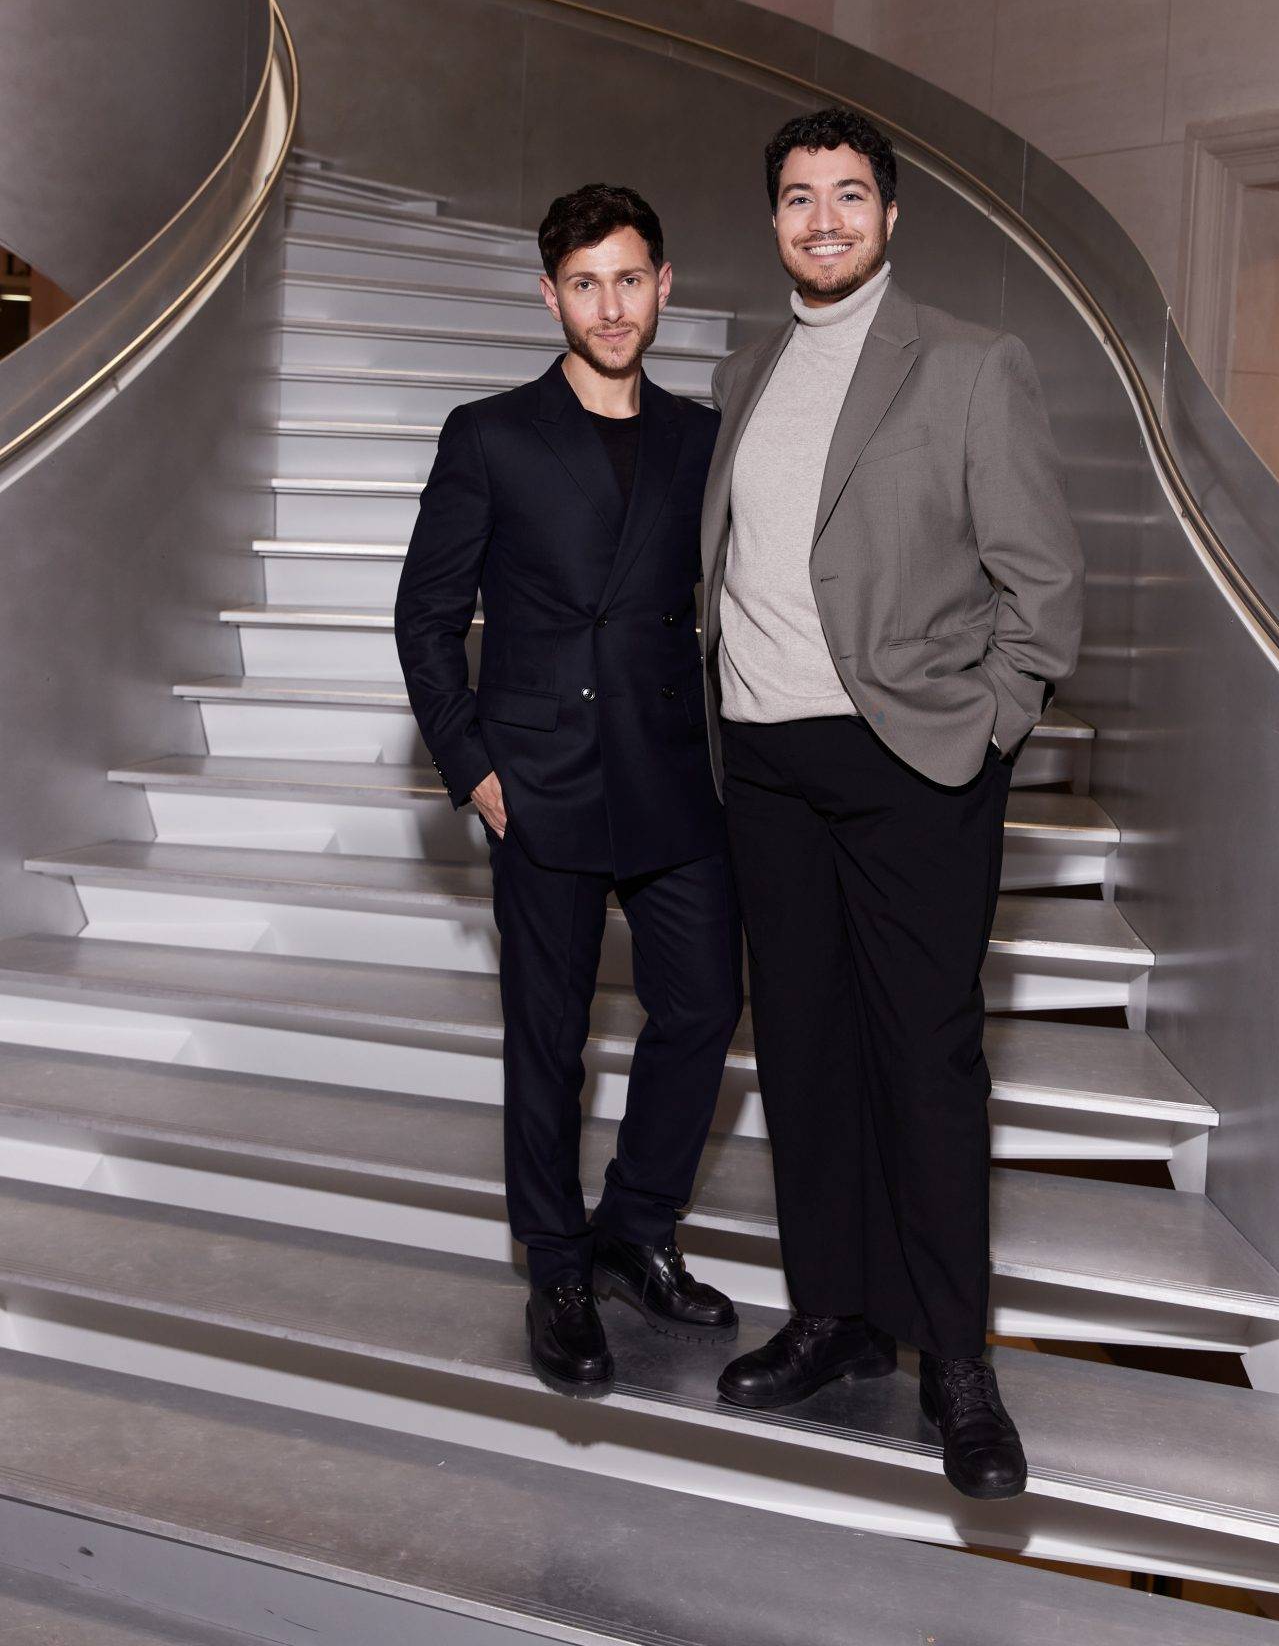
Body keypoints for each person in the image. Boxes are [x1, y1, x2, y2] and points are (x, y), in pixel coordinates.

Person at [700, 107, 1083, 1499]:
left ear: (890, 214)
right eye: (796, 197)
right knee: (799, 1050)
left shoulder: (971, 367)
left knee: (922, 1065)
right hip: (765, 770)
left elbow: (1040, 590)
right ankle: (836, 1319)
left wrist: (982, 736)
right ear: (772, 219)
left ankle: (957, 1364)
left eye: (847, 195)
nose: (822, 219)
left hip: (912, 765)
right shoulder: (743, 371)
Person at [395, 183, 743, 1399]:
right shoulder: (489, 432)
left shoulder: (703, 436)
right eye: (584, 281)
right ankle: (554, 1263)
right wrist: (472, 764)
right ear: (550, 294)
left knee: (701, 1004)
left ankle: (633, 1225)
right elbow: (426, 615)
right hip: (537, 778)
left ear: (663, 286)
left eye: (629, 277)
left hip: (669, 773)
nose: (610, 302)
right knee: (545, 1038)